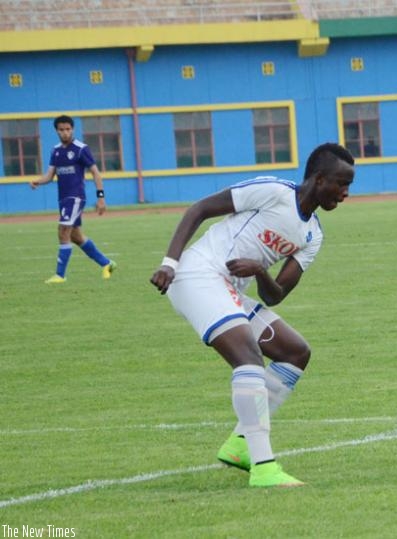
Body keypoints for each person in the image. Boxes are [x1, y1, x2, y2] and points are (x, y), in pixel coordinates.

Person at [149, 143, 355, 488]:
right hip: (198, 274)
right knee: (248, 356)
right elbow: (199, 209)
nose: (346, 193)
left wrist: (261, 271)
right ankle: (264, 468)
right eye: (341, 183)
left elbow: (275, 295)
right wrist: (170, 263)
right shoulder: (274, 192)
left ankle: (240, 444)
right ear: (319, 179)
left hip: (227, 289)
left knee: (295, 352)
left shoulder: (313, 235)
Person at [29, 115, 116, 284]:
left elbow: (96, 173)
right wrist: (37, 182)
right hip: (63, 198)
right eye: (61, 130)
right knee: (76, 236)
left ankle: (60, 275)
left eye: (68, 129)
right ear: (56, 131)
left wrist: (101, 198)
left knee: (62, 231)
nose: (65, 133)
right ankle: (107, 264)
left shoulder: (81, 149)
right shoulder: (55, 151)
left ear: (73, 129)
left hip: (75, 198)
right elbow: (49, 175)